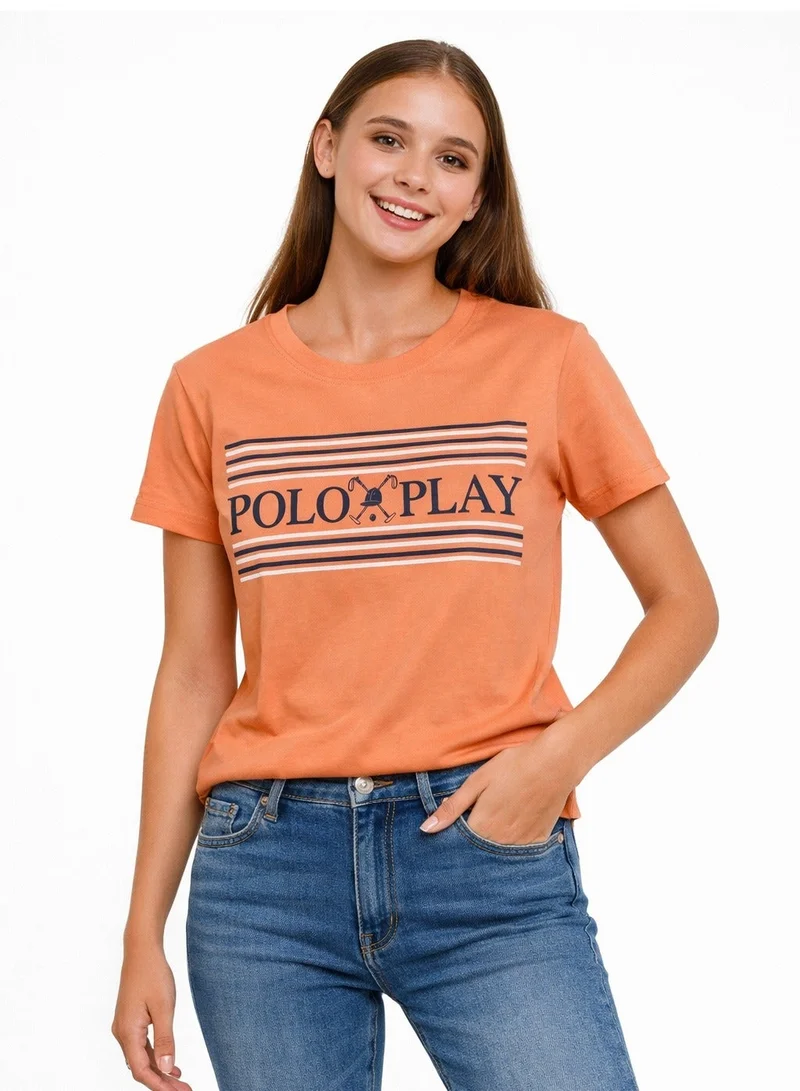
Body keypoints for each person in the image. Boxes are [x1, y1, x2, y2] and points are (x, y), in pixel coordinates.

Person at [112, 38, 718, 1091]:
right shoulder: (210, 387)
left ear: (478, 196)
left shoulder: (547, 358)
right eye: (388, 139)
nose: (413, 177)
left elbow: (684, 604)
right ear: (327, 148)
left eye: (451, 159)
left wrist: (553, 763)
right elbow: (195, 670)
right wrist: (140, 930)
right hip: (264, 878)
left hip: (484, 856)